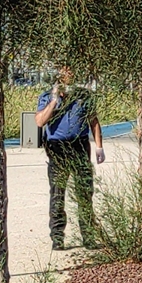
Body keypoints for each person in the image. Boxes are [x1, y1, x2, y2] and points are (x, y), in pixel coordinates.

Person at [36, 66, 104, 250]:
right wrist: (54, 101)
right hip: (57, 148)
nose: (68, 76)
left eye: (71, 72)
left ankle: (88, 236)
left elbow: (94, 122)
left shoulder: (84, 96)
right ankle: (57, 237)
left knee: (84, 193)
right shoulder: (47, 96)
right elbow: (40, 121)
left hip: (79, 146)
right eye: (64, 73)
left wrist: (99, 147)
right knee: (57, 194)